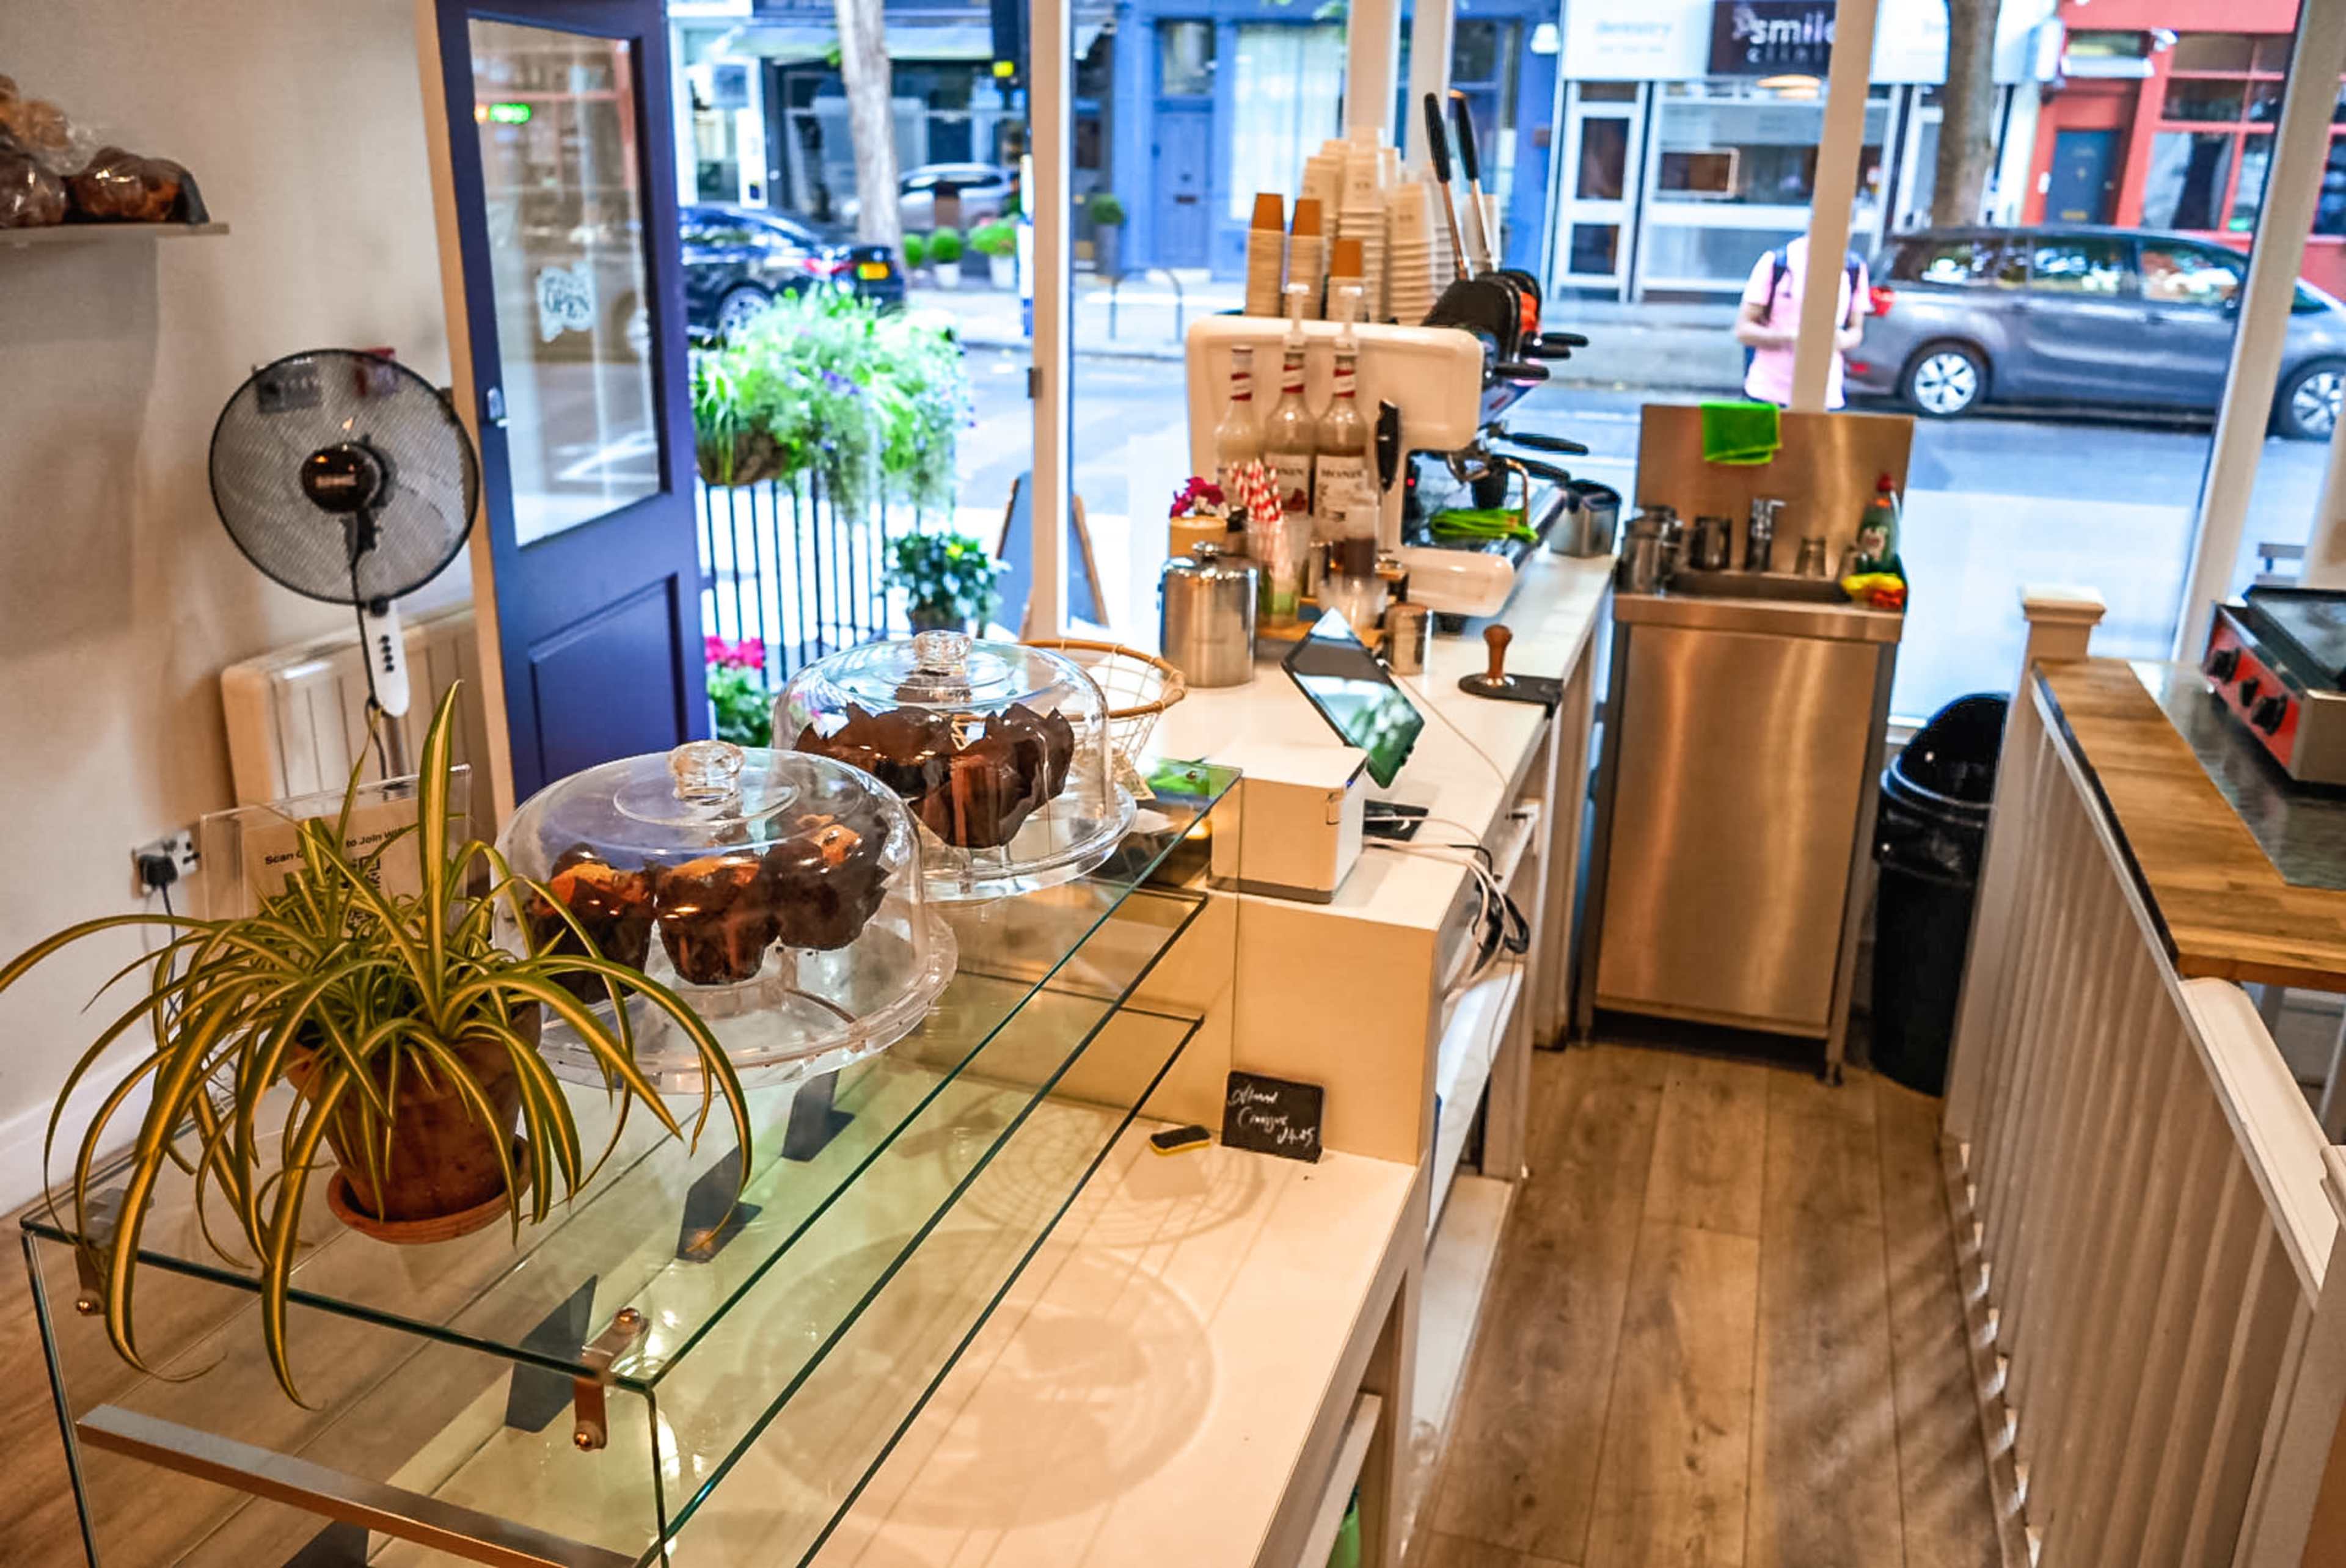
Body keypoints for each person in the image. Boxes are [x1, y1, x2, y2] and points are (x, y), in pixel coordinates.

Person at [1734, 235, 1869, 409]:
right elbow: (1743, 330)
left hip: (1826, 394)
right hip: (1769, 390)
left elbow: (1856, 331)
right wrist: (1792, 338)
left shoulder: (1854, 267)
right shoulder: (1780, 262)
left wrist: (1841, 340)